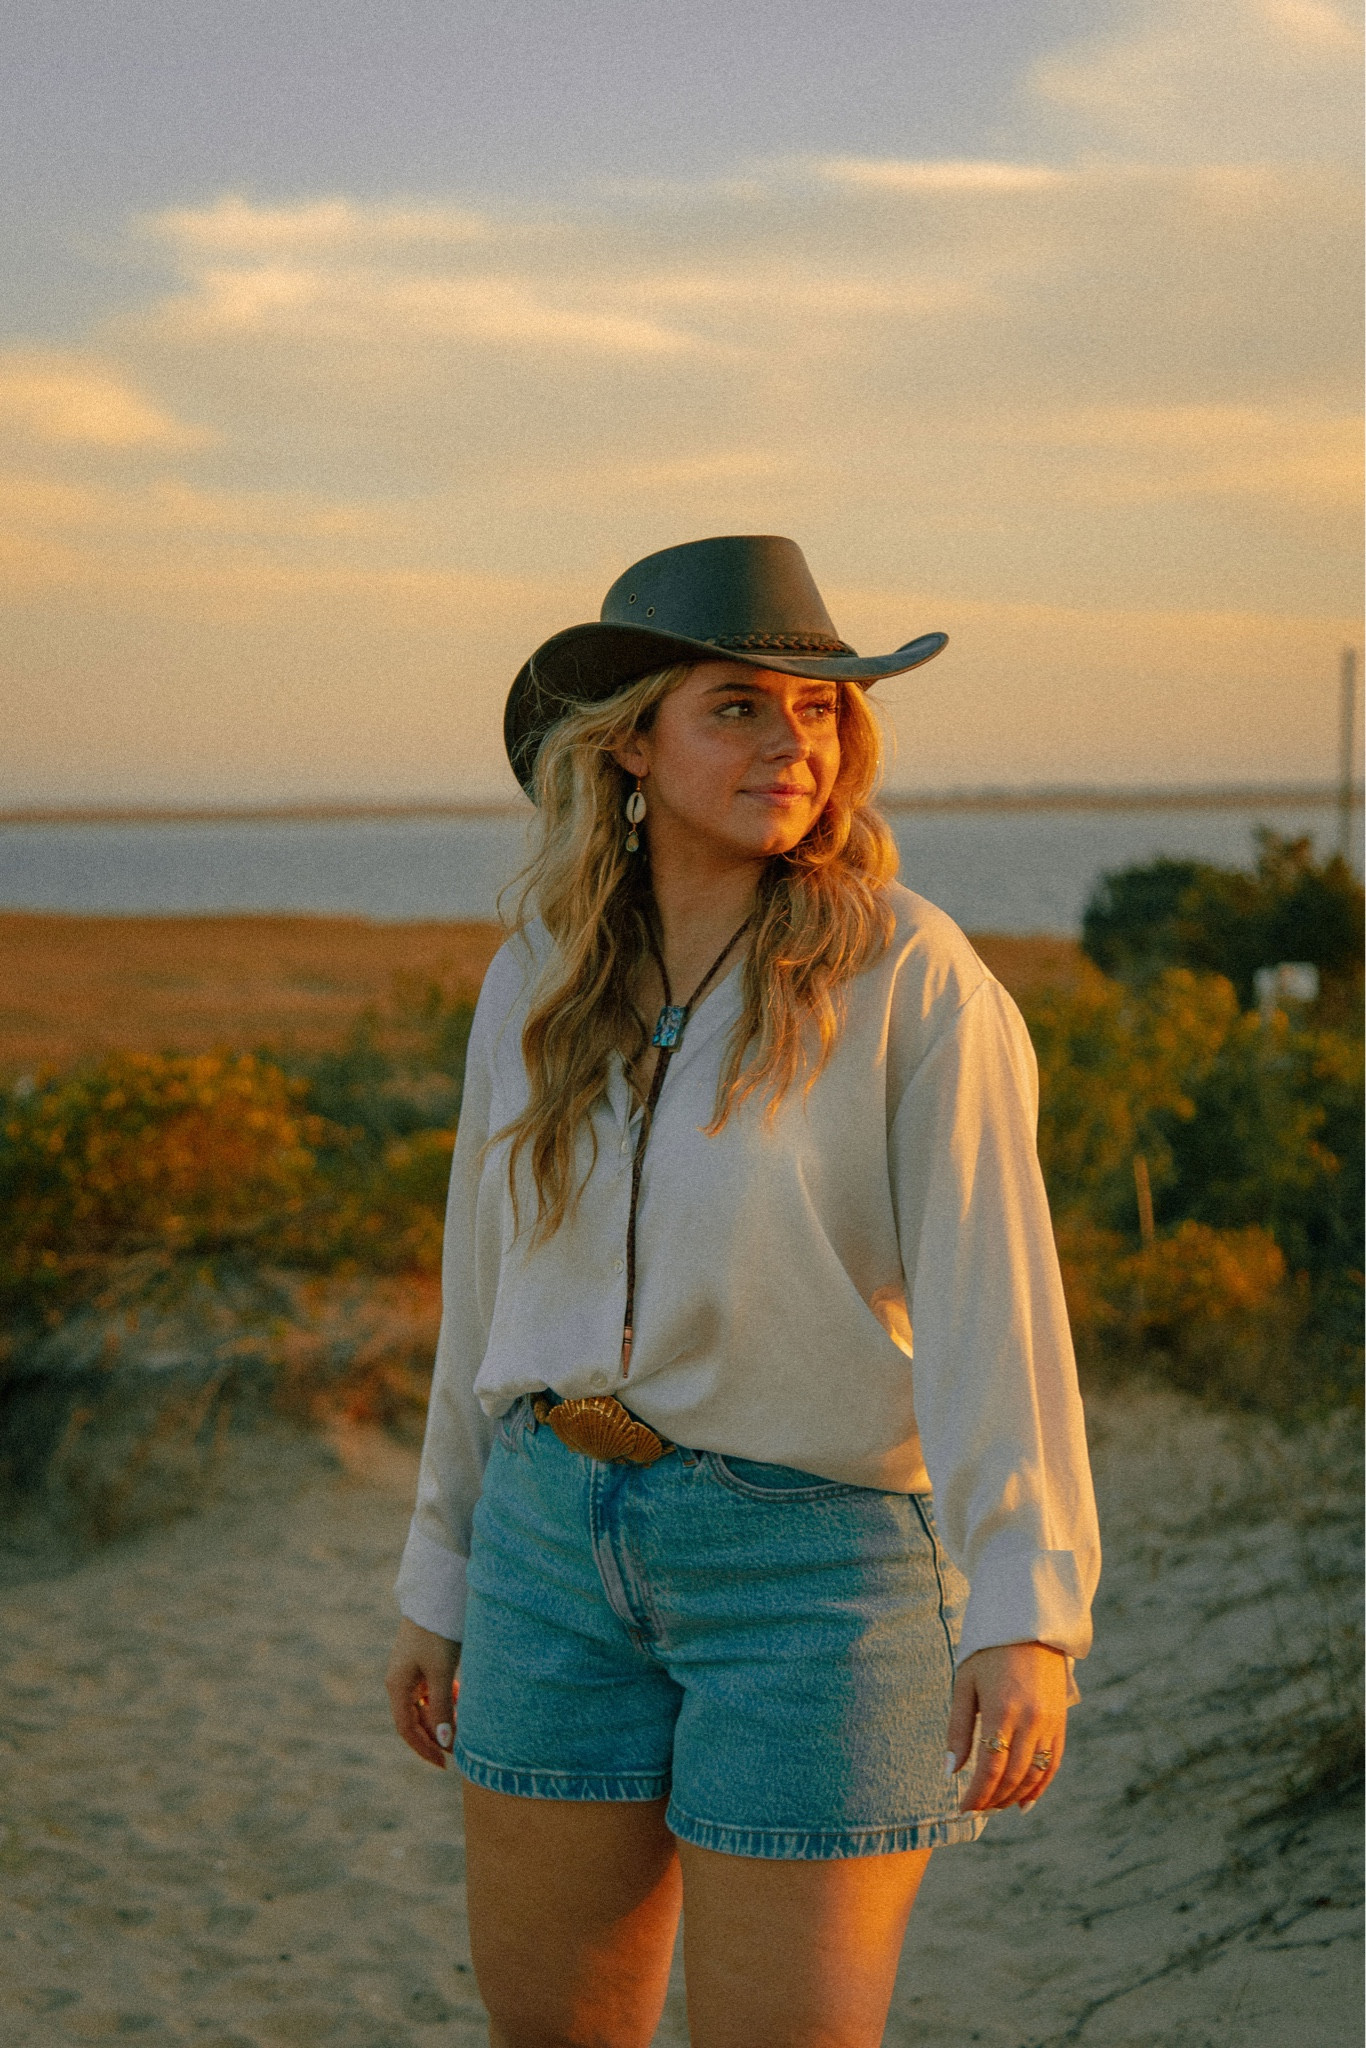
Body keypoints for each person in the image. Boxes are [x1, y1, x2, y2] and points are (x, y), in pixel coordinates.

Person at [386, 535, 1100, 2048]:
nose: (794, 742)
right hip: (542, 1557)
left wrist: (1024, 1610)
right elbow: (481, 1290)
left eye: (820, 711)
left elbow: (996, 1303)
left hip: (810, 1584)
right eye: (739, 707)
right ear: (630, 740)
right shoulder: (537, 970)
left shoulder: (910, 975)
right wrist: (437, 1572)